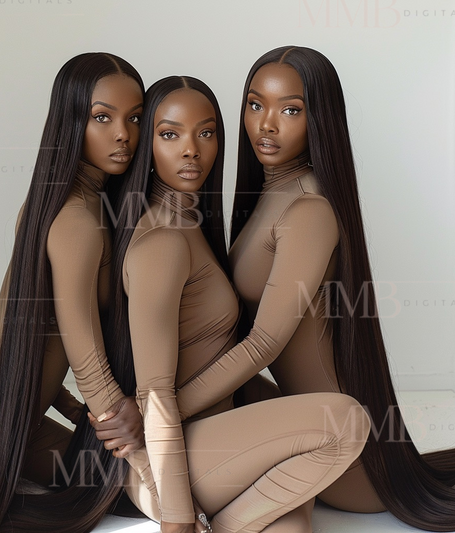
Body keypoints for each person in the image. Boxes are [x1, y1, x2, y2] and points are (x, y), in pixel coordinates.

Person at [167, 46, 455, 532]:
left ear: (319, 118)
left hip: (345, 459)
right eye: (255, 105)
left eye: (291, 110)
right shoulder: (270, 195)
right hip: (301, 422)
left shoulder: (309, 211)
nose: (267, 125)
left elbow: (264, 344)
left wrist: (161, 410)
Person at [105, 75, 370, 533]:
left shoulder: (191, 222)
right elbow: (155, 395)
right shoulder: (163, 242)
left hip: (219, 435)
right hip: (174, 454)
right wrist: (177, 517)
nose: (191, 149)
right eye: (170, 135)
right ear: (146, 143)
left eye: (206, 133)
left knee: (293, 528)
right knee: (345, 419)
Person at [0, 52, 146, 533]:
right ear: (70, 121)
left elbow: (46, 342)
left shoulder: (79, 203)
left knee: (121, 486)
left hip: (21, 425)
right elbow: (82, 347)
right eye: (101, 117)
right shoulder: (76, 219)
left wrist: (77, 415)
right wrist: (119, 425)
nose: (123, 134)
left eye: (134, 118)